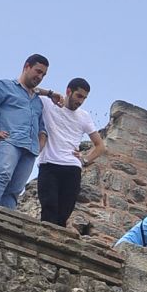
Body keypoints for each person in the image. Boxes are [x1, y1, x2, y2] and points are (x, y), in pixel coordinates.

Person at [0, 54, 49, 210]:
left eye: (43, 74)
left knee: (14, 191)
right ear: (26, 66)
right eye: (38, 71)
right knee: (1, 176)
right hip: (9, 142)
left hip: (29, 150)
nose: (40, 77)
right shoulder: (5, 86)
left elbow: (42, 127)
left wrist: (40, 145)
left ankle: (4, 224)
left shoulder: (38, 101)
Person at [36, 78, 105, 229]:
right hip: (49, 164)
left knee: (63, 214)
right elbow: (29, 89)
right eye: (79, 96)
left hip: (72, 168)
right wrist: (50, 93)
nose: (81, 101)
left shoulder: (84, 116)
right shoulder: (49, 103)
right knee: (48, 208)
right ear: (68, 91)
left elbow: (100, 146)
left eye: (84, 98)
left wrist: (85, 160)